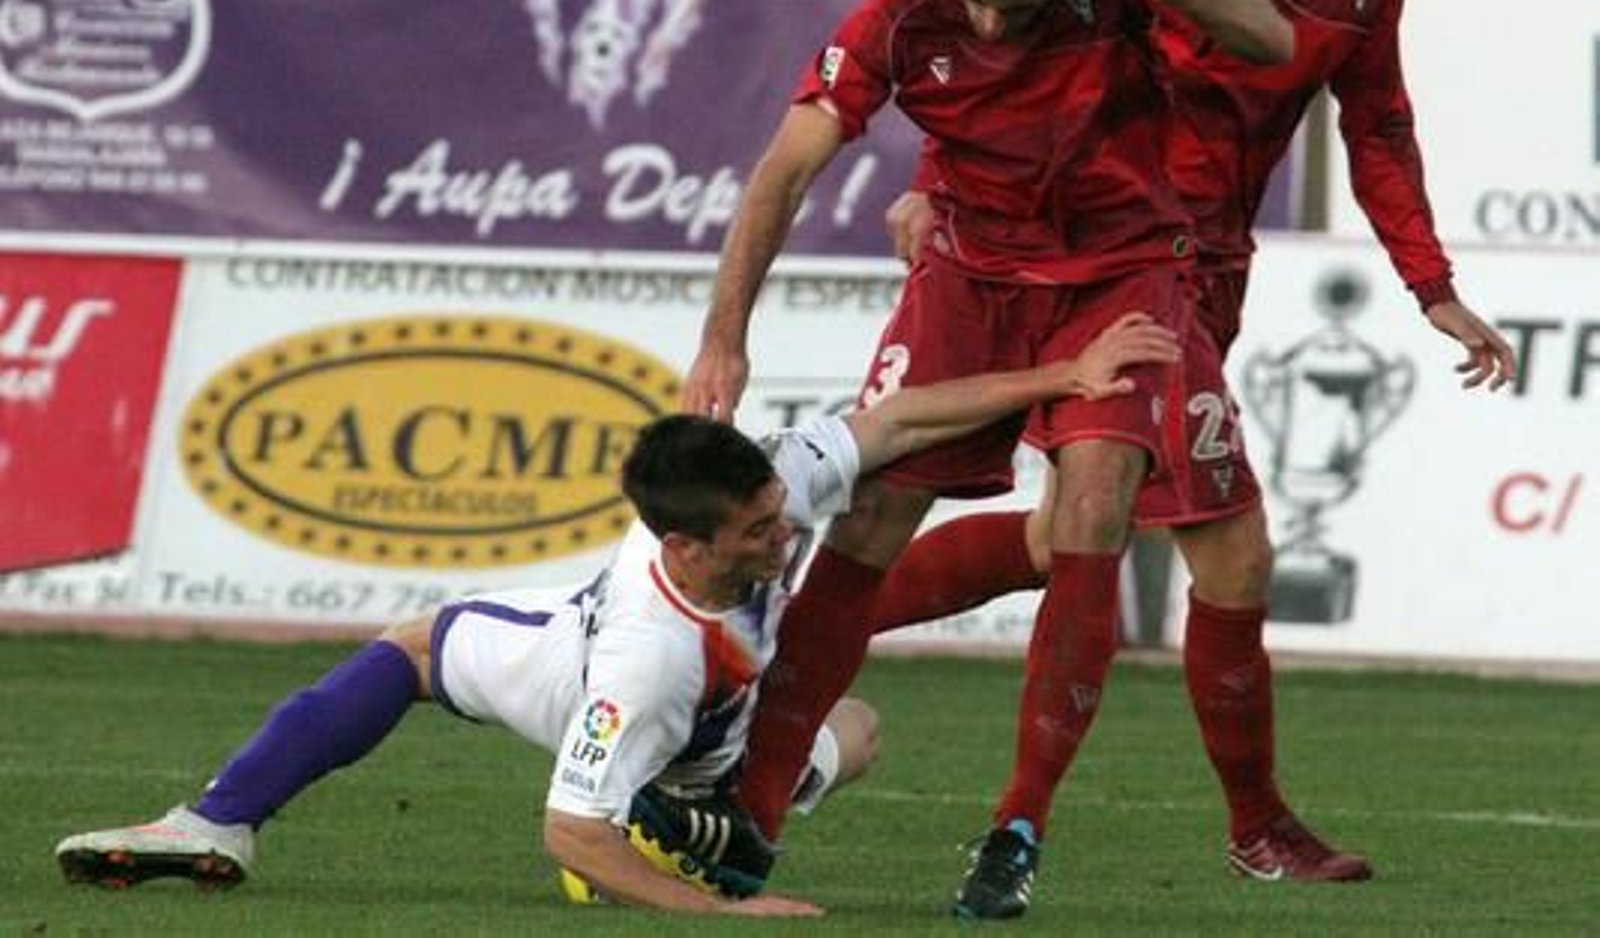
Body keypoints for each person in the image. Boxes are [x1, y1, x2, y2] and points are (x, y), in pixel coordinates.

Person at [867, 0, 1519, 907]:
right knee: (1226, 545)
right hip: (1131, 263)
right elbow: (1021, 73)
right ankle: (1221, 823)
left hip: (1214, 270)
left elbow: (1373, 122)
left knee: (1063, 536)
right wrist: (928, 180)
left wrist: (1431, 287)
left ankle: (801, 635)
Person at [53, 312, 1181, 917]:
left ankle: (226, 820)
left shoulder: (756, 486)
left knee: (416, 643)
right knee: (608, 794)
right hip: (619, 696)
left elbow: (901, 421)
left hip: (584, 639)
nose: (785, 534)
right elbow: (563, 827)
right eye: (759, 532)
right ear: (685, 546)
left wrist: (1061, 376)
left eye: (778, 511)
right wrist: (719, 911)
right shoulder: (646, 666)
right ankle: (218, 819)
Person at [680, 0, 1294, 919]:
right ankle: (760, 805)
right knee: (870, 515)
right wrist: (723, 338)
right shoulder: (902, 11)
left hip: (1122, 269)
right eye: (978, 0)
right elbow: (784, 168)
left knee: (1093, 507)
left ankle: (1018, 826)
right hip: (967, 274)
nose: (995, 28)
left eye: (1018, 6)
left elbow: (1274, 42)